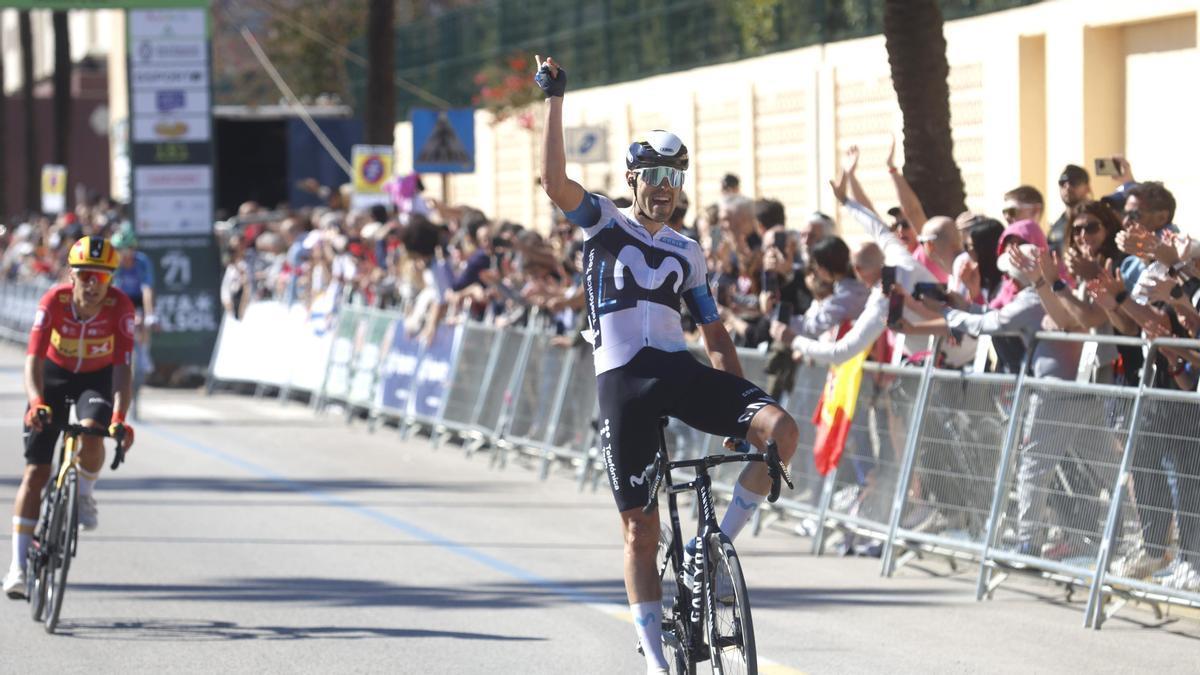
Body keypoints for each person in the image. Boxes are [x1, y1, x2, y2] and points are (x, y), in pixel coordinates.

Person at [535, 55, 799, 675]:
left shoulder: (689, 251)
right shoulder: (601, 220)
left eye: (673, 176)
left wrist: (738, 402)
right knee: (639, 533)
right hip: (624, 383)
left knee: (781, 432)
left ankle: (715, 547)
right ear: (632, 177)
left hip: (678, 372)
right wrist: (553, 100)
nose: (662, 185)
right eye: (651, 173)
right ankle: (655, 658)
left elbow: (714, 333)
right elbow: (553, 182)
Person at [4, 237, 137, 599]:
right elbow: (33, 358)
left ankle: (85, 493)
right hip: (55, 377)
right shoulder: (53, 301)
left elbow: (123, 367)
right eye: (86, 276)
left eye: (103, 277)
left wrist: (121, 416)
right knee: (35, 472)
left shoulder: (120, 306)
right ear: (72, 276)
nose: (94, 285)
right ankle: (16, 566)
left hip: (96, 380)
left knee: (95, 431)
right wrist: (35, 403)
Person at [110, 226, 157, 417]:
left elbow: (147, 290)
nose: (122, 255)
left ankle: (144, 352)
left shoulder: (142, 262)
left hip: (139, 300)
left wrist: (149, 314)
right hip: (122, 300)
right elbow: (113, 292)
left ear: (132, 249)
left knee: (146, 321)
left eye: (125, 250)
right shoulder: (114, 264)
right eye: (119, 251)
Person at [1047, 164, 1091, 254]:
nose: (1067, 187)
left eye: (1074, 182)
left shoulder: (1099, 219)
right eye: (1062, 183)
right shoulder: (1057, 226)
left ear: (1087, 188)